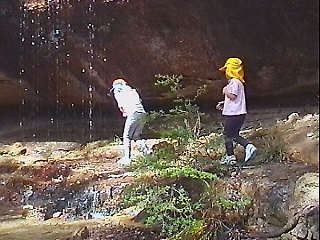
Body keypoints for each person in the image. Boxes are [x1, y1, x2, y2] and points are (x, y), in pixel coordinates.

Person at [216, 57, 257, 165]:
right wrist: (224, 104)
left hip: (234, 114)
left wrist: (225, 91)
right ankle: (233, 155)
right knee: (232, 134)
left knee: (228, 135)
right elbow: (236, 99)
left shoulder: (234, 82)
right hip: (238, 113)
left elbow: (233, 96)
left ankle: (239, 151)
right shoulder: (238, 83)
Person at [110, 78, 148, 166]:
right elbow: (139, 101)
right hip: (142, 114)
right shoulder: (132, 90)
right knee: (136, 136)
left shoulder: (118, 92)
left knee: (126, 136)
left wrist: (124, 112)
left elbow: (121, 106)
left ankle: (127, 158)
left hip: (133, 113)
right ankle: (147, 153)